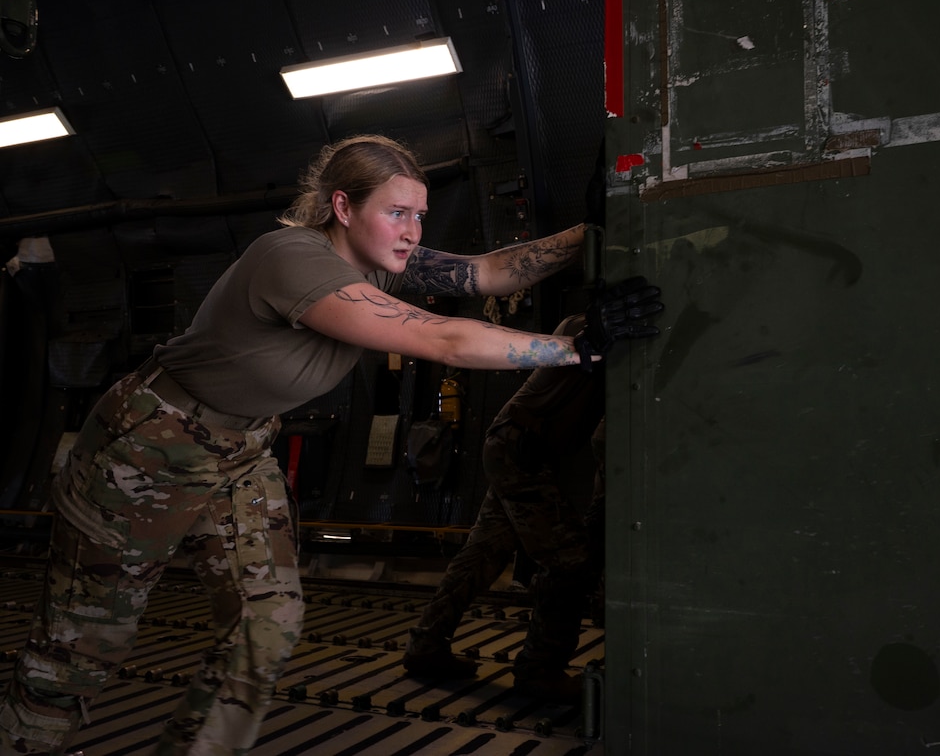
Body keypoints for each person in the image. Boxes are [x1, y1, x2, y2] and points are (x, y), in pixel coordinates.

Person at [0, 134, 661, 755]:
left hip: (237, 449)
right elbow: (441, 339)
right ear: (341, 207)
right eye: (397, 213)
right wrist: (579, 348)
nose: (412, 232)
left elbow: (486, 274)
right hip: (147, 447)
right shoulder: (289, 258)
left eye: (420, 215)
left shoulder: (381, 263)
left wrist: (598, 225)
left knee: (269, 622)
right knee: (78, 652)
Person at [402, 309, 636, 704]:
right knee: (572, 563)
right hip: (521, 449)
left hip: (516, 446)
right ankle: (540, 671)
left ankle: (426, 644)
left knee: (483, 554)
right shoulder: (590, 328)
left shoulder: (599, 330)